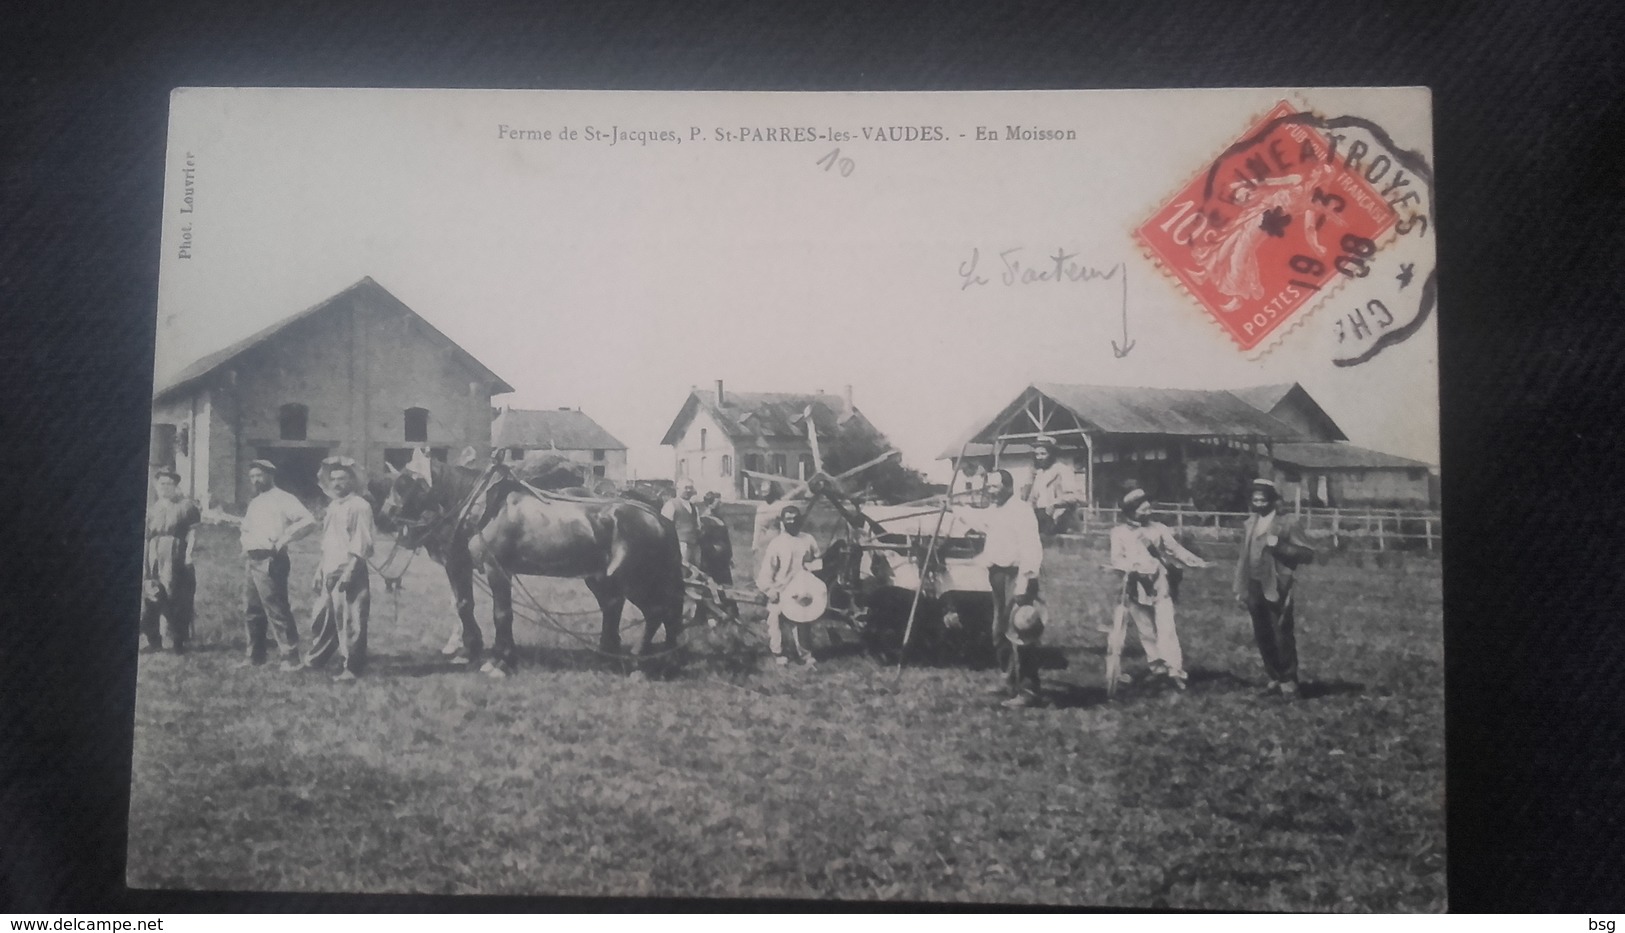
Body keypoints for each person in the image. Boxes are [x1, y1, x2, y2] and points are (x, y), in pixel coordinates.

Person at [1109, 488, 1212, 690]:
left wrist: (1195, 561)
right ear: (1130, 511)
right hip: (1135, 584)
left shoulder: (1159, 529)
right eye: (1141, 509)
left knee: (1166, 627)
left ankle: (1175, 670)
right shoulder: (1118, 533)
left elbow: (1176, 549)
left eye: (1148, 508)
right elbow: (1116, 559)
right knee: (1145, 629)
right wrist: (1132, 569)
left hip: (1160, 582)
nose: (1146, 512)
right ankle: (1157, 668)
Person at [1234, 478, 1316, 698]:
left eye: (1263, 499)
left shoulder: (1287, 522)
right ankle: (1274, 677)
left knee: (1281, 633)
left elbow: (1307, 554)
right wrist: (1239, 587)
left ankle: (1289, 680)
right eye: (1255, 499)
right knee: (1262, 633)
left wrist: (1279, 546)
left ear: (1272, 499)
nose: (1258, 503)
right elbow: (1243, 557)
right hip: (1253, 584)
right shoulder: (1250, 523)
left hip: (1277, 584)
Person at [238, 460, 316, 670]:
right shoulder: (255, 502)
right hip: (252, 559)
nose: (255, 480)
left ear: (271, 475)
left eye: (259, 475)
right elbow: (247, 529)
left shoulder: (284, 498)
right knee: (252, 609)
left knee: (276, 608)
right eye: (252, 476)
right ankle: (255, 655)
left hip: (271, 560)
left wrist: (283, 539)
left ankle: (290, 657)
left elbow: (308, 521)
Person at [304, 457, 376, 681]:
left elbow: (362, 541)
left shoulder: (360, 506)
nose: (337, 483)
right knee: (323, 616)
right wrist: (320, 569)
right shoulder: (333, 506)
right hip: (330, 567)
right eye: (333, 479)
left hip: (349, 569)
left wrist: (350, 570)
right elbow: (328, 541)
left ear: (352, 481)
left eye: (342, 479)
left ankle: (352, 666)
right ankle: (318, 657)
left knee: (351, 620)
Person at [980, 469, 1045, 708]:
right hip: (997, 575)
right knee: (999, 630)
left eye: (995, 487)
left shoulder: (1021, 511)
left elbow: (1032, 548)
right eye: (988, 486)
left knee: (1021, 632)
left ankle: (1029, 690)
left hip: (1016, 576)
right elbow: (978, 519)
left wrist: (1025, 582)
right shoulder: (995, 510)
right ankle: (1008, 680)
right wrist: (951, 508)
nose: (990, 490)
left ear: (1008, 487)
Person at [140, 467, 201, 654]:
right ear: (156, 486)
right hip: (153, 552)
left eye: (169, 484)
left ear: (175, 486)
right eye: (161, 484)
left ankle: (178, 641)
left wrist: (188, 555)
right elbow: (147, 536)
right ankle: (154, 640)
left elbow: (192, 533)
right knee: (151, 594)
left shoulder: (186, 506)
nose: (165, 487)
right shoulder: (153, 508)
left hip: (175, 553)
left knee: (176, 597)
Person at [754, 504, 821, 666]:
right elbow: (766, 571)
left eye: (795, 518)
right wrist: (770, 590)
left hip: (802, 588)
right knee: (776, 619)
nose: (792, 521)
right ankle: (779, 653)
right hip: (781, 589)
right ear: (782, 521)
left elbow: (818, 560)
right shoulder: (777, 543)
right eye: (788, 518)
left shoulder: (808, 539)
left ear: (800, 520)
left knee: (802, 621)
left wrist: (811, 567)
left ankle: (805, 654)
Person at [1024, 435, 1084, 535]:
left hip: (1060, 517)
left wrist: (1055, 504)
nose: (1039, 458)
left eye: (1043, 454)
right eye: (1037, 454)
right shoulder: (1039, 474)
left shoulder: (1063, 470)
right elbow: (1032, 499)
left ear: (1052, 454)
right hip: (1041, 517)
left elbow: (1073, 496)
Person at [693, 491, 738, 625]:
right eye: (718, 502)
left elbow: (726, 539)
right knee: (711, 587)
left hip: (722, 560)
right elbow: (702, 540)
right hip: (711, 560)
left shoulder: (719, 518)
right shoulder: (704, 519)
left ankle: (730, 613)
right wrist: (713, 550)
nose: (721, 504)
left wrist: (729, 556)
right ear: (710, 503)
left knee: (726, 586)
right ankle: (709, 615)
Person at [661, 481, 700, 565]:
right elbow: (665, 527)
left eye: (691, 488)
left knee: (696, 571)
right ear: (678, 489)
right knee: (681, 570)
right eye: (686, 487)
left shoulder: (694, 508)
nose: (689, 490)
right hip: (680, 545)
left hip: (694, 545)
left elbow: (698, 526)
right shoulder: (671, 505)